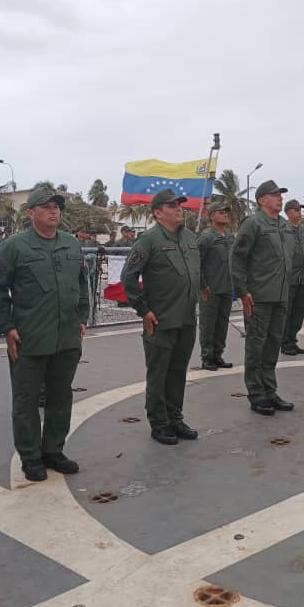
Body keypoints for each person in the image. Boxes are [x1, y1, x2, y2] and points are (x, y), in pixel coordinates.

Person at [0, 187, 90, 479]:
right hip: (30, 337)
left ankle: (53, 450)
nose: (53, 211)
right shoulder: (15, 247)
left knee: (61, 396)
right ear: (30, 213)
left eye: (57, 206)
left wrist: (83, 315)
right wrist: (6, 326)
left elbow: (82, 282)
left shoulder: (71, 245)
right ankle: (31, 455)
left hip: (67, 336)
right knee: (26, 399)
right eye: (45, 207)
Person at [121, 189, 200, 444]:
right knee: (159, 373)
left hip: (186, 318)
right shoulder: (149, 240)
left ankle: (175, 418)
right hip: (161, 319)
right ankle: (159, 422)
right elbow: (128, 278)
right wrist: (143, 310)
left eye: (180, 205)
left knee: (178, 371)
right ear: (157, 212)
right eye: (172, 205)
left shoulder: (189, 237)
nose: (179, 209)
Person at [230, 180, 294, 415]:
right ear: (261, 200)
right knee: (256, 345)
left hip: (280, 295)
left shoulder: (285, 226)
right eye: (275, 194)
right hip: (258, 296)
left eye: (280, 194)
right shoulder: (253, 223)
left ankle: (270, 390)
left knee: (272, 345)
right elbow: (237, 259)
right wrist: (243, 291)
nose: (280, 197)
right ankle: (256, 394)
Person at [197, 201, 234, 371]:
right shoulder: (206, 237)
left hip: (226, 287)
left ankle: (218, 354)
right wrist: (203, 285)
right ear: (212, 216)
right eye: (221, 212)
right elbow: (197, 262)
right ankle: (207, 357)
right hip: (210, 289)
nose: (225, 214)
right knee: (208, 323)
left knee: (222, 323)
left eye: (226, 212)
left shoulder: (228, 236)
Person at [280, 199, 304, 356]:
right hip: (289, 278)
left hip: (302, 278)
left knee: (299, 312)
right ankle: (284, 343)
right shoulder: (283, 229)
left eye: (300, 210)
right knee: (287, 312)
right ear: (289, 212)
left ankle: (292, 340)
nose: (299, 213)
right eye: (297, 210)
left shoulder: (303, 230)